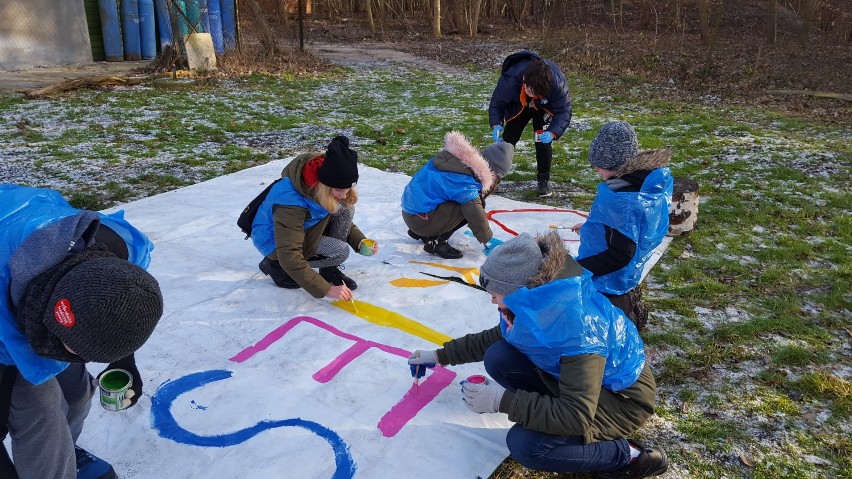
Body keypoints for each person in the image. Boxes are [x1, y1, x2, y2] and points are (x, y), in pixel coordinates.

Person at [407, 231, 667, 478]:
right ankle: (547, 410)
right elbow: (498, 337)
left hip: (622, 402)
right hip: (584, 387)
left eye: (496, 295)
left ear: (519, 293)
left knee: (526, 445)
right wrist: (439, 356)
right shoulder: (538, 303)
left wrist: (504, 402)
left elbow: (576, 415)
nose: (492, 302)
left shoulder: (580, 330)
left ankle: (628, 456)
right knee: (499, 356)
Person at [0, 184, 164, 479]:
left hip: (25, 258)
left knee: (77, 393)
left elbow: (123, 304)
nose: (82, 358)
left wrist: (124, 358)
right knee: (41, 411)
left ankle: (64, 452)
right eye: (79, 350)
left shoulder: (119, 251)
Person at [570, 121, 674, 330]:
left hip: (609, 279)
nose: (595, 167)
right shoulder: (644, 184)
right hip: (628, 271)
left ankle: (620, 313)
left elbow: (619, 254)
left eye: (600, 164)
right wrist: (593, 228)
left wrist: (576, 269)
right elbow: (629, 228)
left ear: (616, 164)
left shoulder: (621, 199)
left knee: (585, 321)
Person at [252, 136, 378, 301]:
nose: (344, 194)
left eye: (348, 189)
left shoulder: (321, 181)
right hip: (275, 243)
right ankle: (274, 264)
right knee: (339, 251)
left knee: (345, 208)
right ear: (325, 186)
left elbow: (338, 217)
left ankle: (328, 270)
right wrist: (325, 289)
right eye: (340, 190)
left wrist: (359, 241)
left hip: (302, 228)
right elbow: (289, 252)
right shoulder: (291, 204)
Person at [401, 131, 514, 259]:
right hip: (419, 220)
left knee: (466, 201)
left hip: (411, 214)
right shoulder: (465, 181)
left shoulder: (457, 162)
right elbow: (475, 213)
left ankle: (422, 233)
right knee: (470, 205)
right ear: (494, 173)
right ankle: (436, 242)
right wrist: (486, 238)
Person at [488, 50, 572, 198]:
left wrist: (553, 132)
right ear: (524, 80)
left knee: (543, 143)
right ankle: (494, 175)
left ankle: (543, 180)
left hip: (544, 108)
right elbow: (497, 102)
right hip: (518, 106)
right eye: (530, 91)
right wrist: (496, 123)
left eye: (537, 94)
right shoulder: (510, 80)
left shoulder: (557, 84)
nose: (532, 95)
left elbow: (564, 110)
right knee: (508, 139)